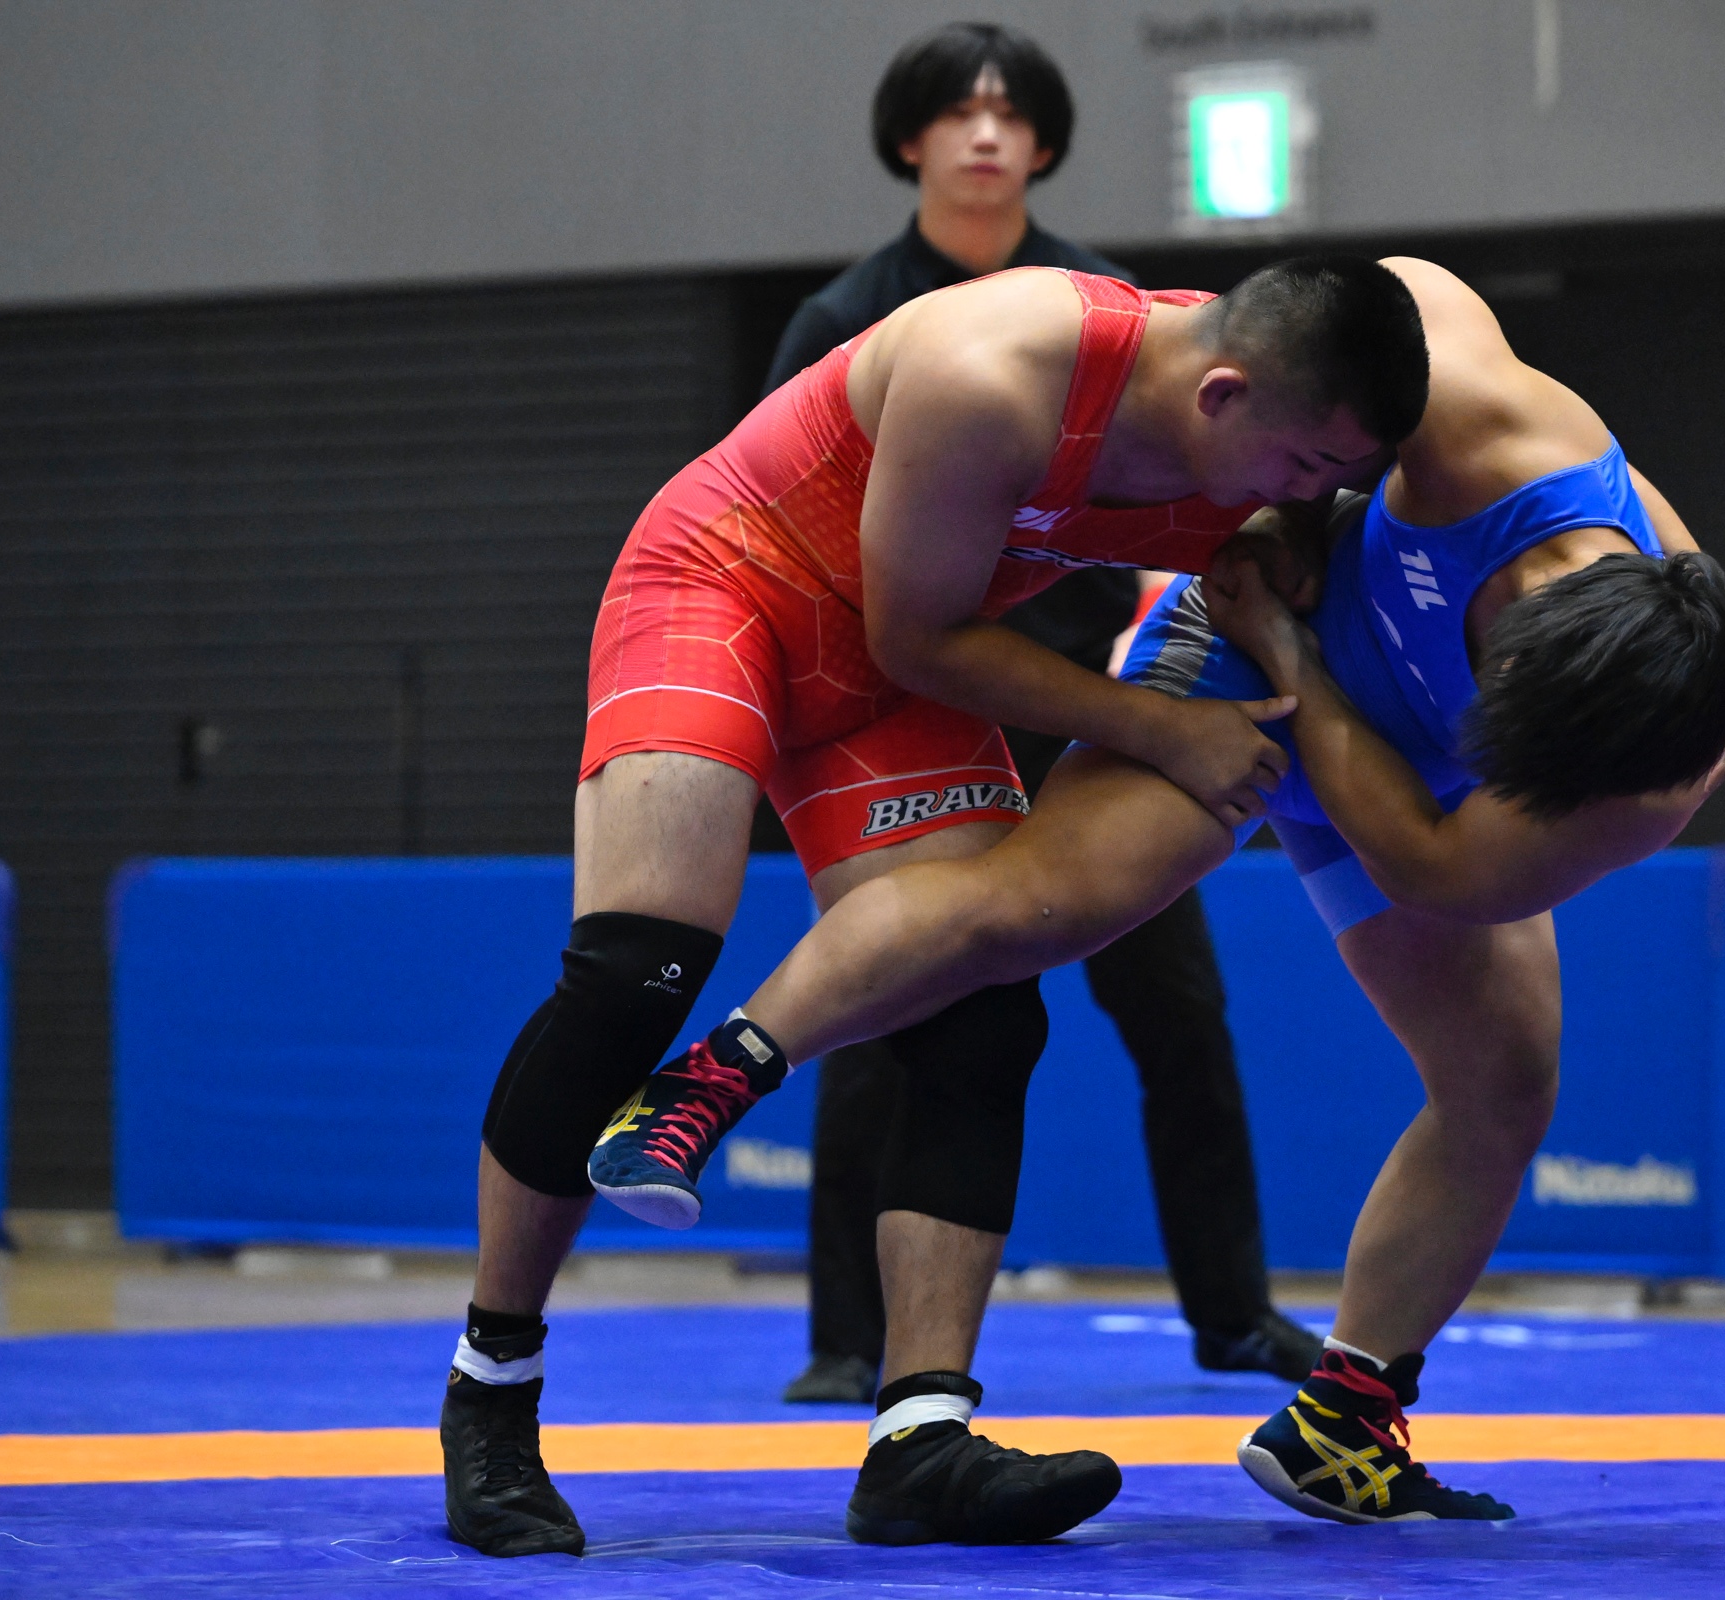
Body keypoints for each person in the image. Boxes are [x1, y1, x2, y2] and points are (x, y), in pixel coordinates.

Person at [592, 257, 1725, 1537]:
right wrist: (1280, 526)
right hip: (1242, 655)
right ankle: (709, 1077)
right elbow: (1347, 322)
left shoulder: (1637, 776)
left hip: (1335, 710)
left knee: (1502, 1082)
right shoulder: (1486, 417)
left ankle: (1346, 1417)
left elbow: (1430, 868)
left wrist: (1294, 652)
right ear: (1533, 611)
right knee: (1029, 908)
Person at [438, 251, 1427, 1559]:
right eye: (1301, 466)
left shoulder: (1271, 424)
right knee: (634, 974)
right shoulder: (997, 368)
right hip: (728, 589)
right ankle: (492, 1391)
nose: (1306, 494)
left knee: (979, 1008)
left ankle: (919, 1440)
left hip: (899, 669)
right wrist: (1155, 726)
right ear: (1221, 396)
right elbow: (914, 636)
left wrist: (1290, 548)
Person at [763, 20, 1316, 1407]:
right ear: (910, 139)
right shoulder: (841, 320)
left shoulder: (1110, 305)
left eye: (1010, 112)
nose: (985, 133)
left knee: (1180, 1012)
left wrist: (1151, 662)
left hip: (1091, 717)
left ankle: (1233, 1313)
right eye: (957, 110)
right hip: (911, 710)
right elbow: (793, 533)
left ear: (1044, 142)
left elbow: (1179, 493)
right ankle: (846, 1336)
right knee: (883, 1008)